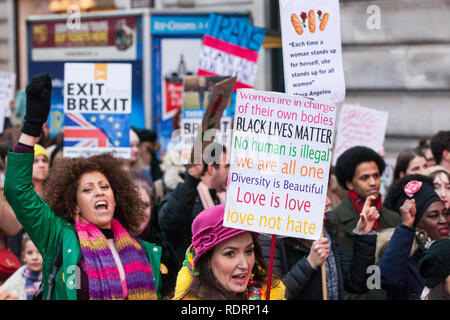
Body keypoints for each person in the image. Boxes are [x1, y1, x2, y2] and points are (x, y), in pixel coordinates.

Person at [4, 73, 162, 300]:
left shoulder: (143, 250)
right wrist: (31, 127)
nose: (98, 191)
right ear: (74, 204)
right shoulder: (59, 237)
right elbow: (17, 189)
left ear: (116, 198)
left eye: (104, 187)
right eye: (87, 190)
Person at [259, 194, 379, 300]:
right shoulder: (270, 237)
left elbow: (357, 284)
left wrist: (363, 235)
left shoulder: (327, 228)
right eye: (320, 195)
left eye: (325, 193)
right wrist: (309, 263)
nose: (328, 202)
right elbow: (274, 295)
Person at [173, 204, 286, 300]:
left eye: (249, 251)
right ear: (207, 261)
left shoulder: (271, 293)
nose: (245, 265)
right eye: (230, 254)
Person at [333, 146, 402, 300]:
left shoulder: (395, 219)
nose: (373, 182)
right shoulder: (335, 220)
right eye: (364, 177)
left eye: (376, 176)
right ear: (350, 183)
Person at [158, 144, 229, 267]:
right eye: (227, 166)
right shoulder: (186, 195)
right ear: (211, 168)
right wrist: (191, 179)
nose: (231, 171)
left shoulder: (223, 195)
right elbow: (170, 223)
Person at [379, 174, 449, 299]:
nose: (444, 220)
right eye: (433, 215)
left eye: (446, 213)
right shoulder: (402, 254)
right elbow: (388, 279)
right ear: (416, 224)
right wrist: (406, 227)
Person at [129, 171, 179, 299]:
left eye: (145, 205)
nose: (139, 212)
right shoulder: (107, 246)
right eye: (133, 204)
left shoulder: (162, 247)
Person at [0, 233, 42, 300]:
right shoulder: (19, 276)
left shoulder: (51, 277)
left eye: (40, 252)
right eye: (30, 253)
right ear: (23, 256)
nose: (34, 257)